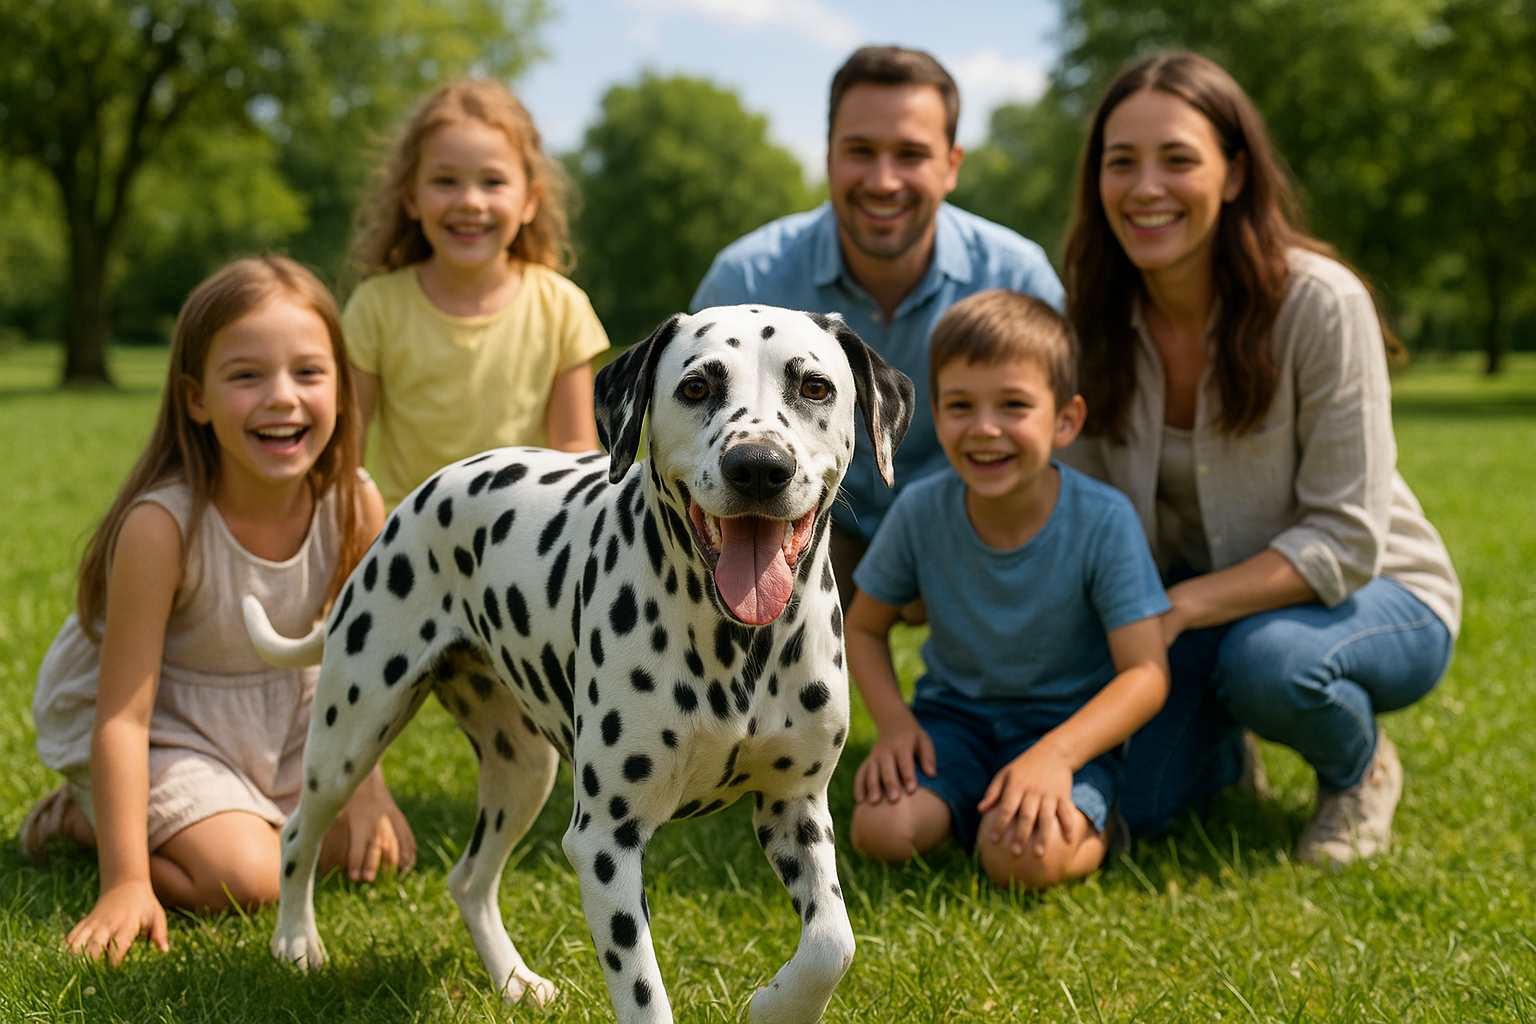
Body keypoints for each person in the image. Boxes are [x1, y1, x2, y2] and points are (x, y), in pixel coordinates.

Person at [1059, 52, 1461, 863]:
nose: (1145, 188)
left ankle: (1358, 769)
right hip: (1193, 617)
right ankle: (1221, 748)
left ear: (1234, 174)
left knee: (1271, 663)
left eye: (1178, 159)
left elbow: (1348, 540)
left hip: (1376, 592)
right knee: (1141, 808)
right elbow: (1087, 513)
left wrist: (1179, 610)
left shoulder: (1320, 304)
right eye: (1121, 162)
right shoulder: (1087, 319)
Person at [20, 257, 416, 965]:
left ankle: (229, 820)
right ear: (195, 399)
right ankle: (82, 820)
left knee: (364, 850)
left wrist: (369, 791)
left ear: (342, 388)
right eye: (246, 376)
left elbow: (364, 673)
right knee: (250, 877)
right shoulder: (161, 527)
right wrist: (126, 883)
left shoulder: (355, 506)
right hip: (169, 728)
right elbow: (123, 718)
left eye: (308, 373)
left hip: (286, 723)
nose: (282, 398)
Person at [691, 46, 1064, 607]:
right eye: (860, 151)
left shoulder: (1016, 276)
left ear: (952, 164)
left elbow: (1062, 448)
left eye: (911, 153)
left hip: (971, 527)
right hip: (792, 523)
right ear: (829, 157)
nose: (883, 180)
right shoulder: (746, 276)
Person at [846, 290, 1171, 891]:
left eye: (1014, 405)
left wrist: (1058, 756)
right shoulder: (921, 509)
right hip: (953, 725)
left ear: (1067, 420)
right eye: (961, 405)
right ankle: (979, 805)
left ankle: (1085, 815)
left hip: (1064, 729)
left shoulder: (1104, 520)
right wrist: (894, 725)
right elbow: (862, 626)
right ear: (936, 416)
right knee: (882, 832)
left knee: (1023, 862)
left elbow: (1146, 673)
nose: (985, 429)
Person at [345, 78, 610, 509]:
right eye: (445, 181)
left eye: (492, 182)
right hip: (407, 549)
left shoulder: (562, 307)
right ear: (411, 198)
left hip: (523, 548)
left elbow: (575, 452)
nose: (470, 201)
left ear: (529, 201)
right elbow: (346, 458)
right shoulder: (376, 307)